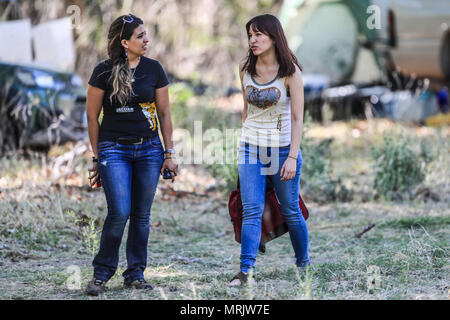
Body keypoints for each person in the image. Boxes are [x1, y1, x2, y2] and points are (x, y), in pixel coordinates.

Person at [84, 14, 178, 296]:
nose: (146, 40)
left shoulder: (154, 69)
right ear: (124, 42)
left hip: (149, 148)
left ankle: (135, 274)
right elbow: (91, 116)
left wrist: (169, 153)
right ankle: (101, 274)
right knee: (119, 211)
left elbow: (164, 113)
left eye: (146, 34)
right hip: (114, 149)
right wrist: (96, 157)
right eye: (140, 36)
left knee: (141, 214)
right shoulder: (103, 71)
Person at [229, 14, 309, 286]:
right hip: (251, 149)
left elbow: (298, 118)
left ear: (274, 37)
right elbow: (245, 110)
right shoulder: (245, 70)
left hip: (283, 150)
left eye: (259, 34)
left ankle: (303, 265)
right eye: (250, 35)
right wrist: (243, 144)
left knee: (290, 210)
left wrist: (292, 156)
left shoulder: (291, 73)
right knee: (251, 209)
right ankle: (245, 272)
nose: (253, 40)